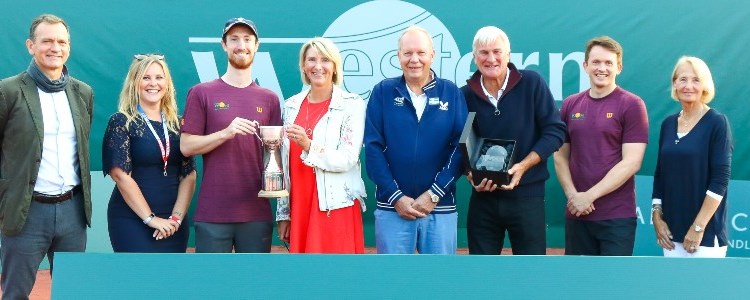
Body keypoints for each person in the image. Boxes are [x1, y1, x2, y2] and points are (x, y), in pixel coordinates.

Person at [0, 14, 94, 299]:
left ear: (69, 47)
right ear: (31, 45)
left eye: (62, 41)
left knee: (72, 292)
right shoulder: (8, 91)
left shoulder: (83, 92)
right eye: (47, 41)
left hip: (72, 213)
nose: (55, 47)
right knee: (16, 293)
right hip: (25, 213)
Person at [180, 17, 281, 253]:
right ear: (224, 45)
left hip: (256, 212)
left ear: (257, 45)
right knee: (212, 288)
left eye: (247, 39)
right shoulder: (201, 93)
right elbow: (186, 146)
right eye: (234, 39)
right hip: (213, 212)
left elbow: (276, 156)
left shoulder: (270, 99)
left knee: (255, 286)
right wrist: (225, 133)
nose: (241, 45)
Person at [462, 26, 566, 255]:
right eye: (484, 52)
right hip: (483, 198)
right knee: (481, 274)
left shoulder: (532, 83)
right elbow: (459, 145)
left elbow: (555, 131)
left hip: (527, 196)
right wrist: (470, 174)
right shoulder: (465, 95)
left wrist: (524, 166)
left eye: (497, 51)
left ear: (508, 55)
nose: (491, 59)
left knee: (531, 273)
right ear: (474, 57)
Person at [365, 26, 467, 254]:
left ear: (432, 55)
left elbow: (462, 147)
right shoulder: (382, 92)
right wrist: (396, 197)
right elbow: (372, 148)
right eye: (407, 53)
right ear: (398, 56)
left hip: (440, 207)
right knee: (392, 283)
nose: (414, 60)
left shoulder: (452, 93)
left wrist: (434, 194)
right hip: (392, 208)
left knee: (439, 282)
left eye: (421, 53)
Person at [554, 36, 649, 256]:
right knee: (578, 284)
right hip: (576, 213)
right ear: (585, 66)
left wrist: (589, 196)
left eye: (608, 63)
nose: (602, 68)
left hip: (617, 218)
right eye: (596, 62)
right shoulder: (570, 104)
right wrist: (573, 196)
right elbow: (560, 157)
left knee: (612, 287)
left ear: (619, 67)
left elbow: (632, 162)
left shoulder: (632, 104)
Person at [275, 38, 367, 253]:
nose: (318, 66)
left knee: (339, 276)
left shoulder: (351, 104)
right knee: (304, 279)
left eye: (325, 60)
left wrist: (309, 145)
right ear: (303, 66)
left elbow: (348, 158)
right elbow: (283, 166)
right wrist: (283, 213)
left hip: (335, 206)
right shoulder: (290, 105)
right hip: (299, 205)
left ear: (335, 66)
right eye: (311, 60)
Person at [102, 54, 196, 252]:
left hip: (173, 223)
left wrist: (176, 219)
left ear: (167, 83)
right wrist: (150, 219)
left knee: (170, 281)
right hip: (132, 220)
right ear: (134, 83)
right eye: (146, 78)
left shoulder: (179, 124)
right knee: (137, 281)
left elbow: (189, 175)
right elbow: (120, 175)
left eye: (159, 77)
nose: (153, 83)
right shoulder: (121, 121)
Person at [651, 57, 732, 258]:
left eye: (696, 80)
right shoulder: (668, 124)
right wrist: (656, 216)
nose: (688, 86)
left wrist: (698, 228)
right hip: (670, 234)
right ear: (674, 84)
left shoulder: (717, 122)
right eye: (683, 79)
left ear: (705, 85)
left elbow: (720, 180)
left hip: (704, 235)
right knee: (672, 290)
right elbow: (660, 174)